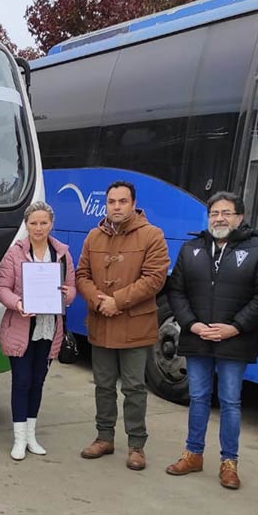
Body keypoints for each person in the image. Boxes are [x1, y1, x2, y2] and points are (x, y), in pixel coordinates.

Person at [163, 192, 258, 488]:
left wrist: (234, 327)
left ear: (240, 217)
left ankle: (229, 463)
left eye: (226, 213)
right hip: (198, 336)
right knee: (198, 398)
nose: (219, 218)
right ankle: (193, 454)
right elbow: (176, 291)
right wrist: (192, 324)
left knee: (230, 401)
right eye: (214, 213)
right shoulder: (192, 248)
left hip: (234, 340)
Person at [74, 180, 169, 470]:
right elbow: (81, 275)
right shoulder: (93, 236)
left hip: (134, 327)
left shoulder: (152, 236)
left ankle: (136, 445)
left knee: (134, 388)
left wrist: (117, 300)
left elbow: (155, 278)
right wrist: (97, 299)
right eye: (111, 201)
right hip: (101, 323)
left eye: (122, 201)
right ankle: (104, 437)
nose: (116, 207)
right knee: (103, 385)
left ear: (133, 203)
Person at [0, 201, 76, 461]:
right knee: (21, 382)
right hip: (21, 326)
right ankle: (19, 438)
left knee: (38, 382)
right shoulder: (14, 253)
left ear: (51, 224)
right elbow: (1, 288)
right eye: (33, 223)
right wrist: (17, 303)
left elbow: (72, 287)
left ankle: (31, 435)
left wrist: (67, 294)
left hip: (49, 328)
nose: (38, 228)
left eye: (43, 223)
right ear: (26, 225)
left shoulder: (62, 253)